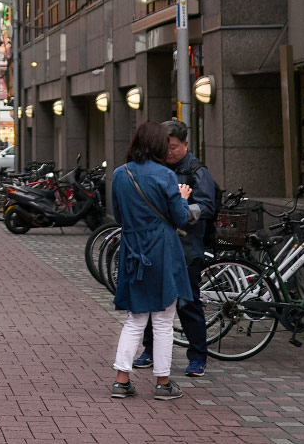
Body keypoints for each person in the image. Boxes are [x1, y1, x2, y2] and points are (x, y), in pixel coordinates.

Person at [109, 120, 193, 401]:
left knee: (135, 318)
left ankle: (121, 380)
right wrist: (182, 198)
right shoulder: (166, 175)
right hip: (162, 250)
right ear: (159, 145)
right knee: (163, 320)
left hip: (133, 249)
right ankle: (163, 383)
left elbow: (119, 216)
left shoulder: (121, 174)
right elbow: (181, 217)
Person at [131, 119, 217, 378]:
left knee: (188, 302)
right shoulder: (156, 169)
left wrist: (181, 212)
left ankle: (198, 357)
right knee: (151, 301)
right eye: (165, 147)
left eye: (174, 147)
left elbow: (208, 207)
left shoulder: (197, 172)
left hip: (188, 247)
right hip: (157, 246)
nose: (169, 152)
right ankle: (149, 351)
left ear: (186, 144)